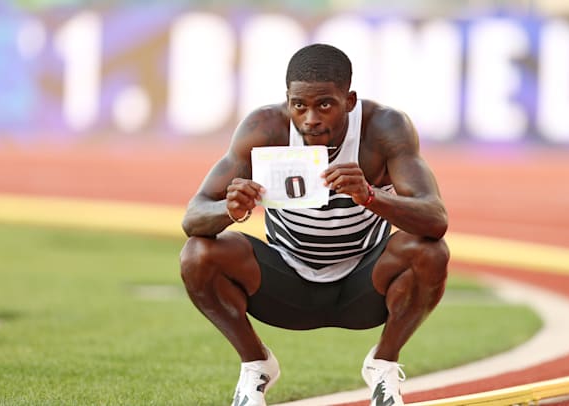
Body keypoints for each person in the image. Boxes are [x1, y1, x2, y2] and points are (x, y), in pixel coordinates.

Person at [179, 43, 450, 406]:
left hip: (364, 285)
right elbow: (194, 216)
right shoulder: (265, 127)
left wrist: (370, 196)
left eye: (325, 104)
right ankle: (255, 365)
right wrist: (231, 208)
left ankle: (383, 365)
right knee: (198, 253)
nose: (310, 119)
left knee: (429, 252)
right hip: (286, 282)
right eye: (299, 105)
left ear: (349, 101)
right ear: (287, 100)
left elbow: (435, 218)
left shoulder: (383, 127)